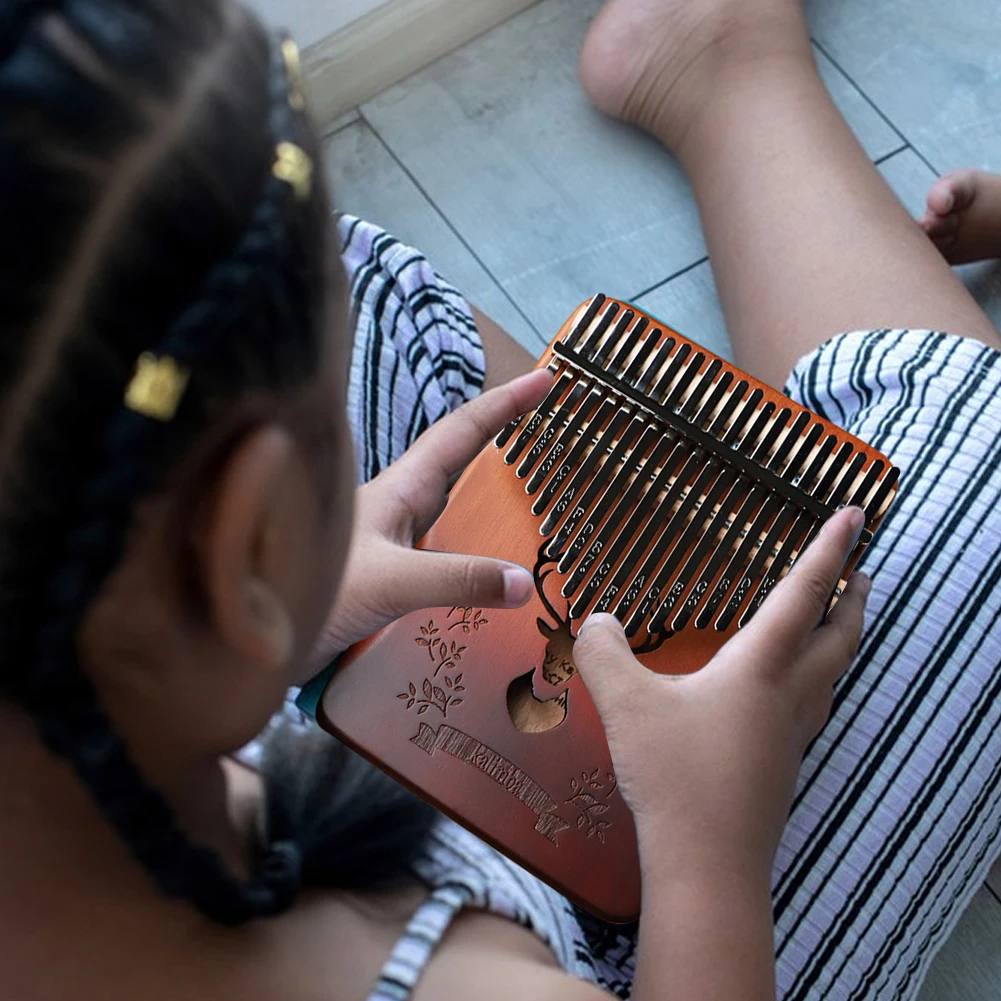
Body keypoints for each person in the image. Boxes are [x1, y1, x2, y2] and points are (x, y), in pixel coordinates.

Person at [0, 5, 998, 1001]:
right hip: (635, 937)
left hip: (210, 687)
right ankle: (721, 66)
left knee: (340, 285)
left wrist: (288, 617)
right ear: (249, 542)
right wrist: (707, 850)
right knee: (977, 452)